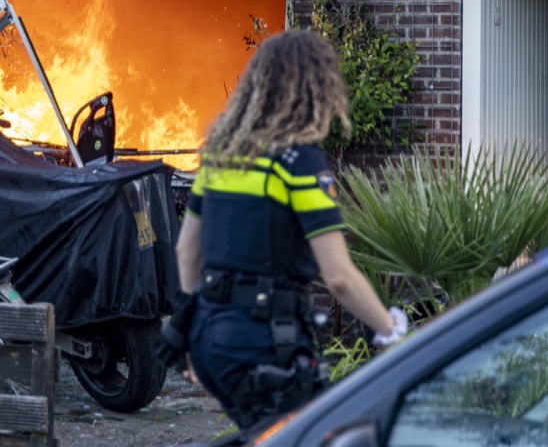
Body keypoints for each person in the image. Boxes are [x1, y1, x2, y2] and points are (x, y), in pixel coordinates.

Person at [157, 29, 408, 430]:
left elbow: (188, 251)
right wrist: (392, 330)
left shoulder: (224, 153)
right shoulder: (298, 160)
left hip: (209, 337)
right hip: (261, 342)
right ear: (315, 88)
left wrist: (187, 330)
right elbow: (339, 277)